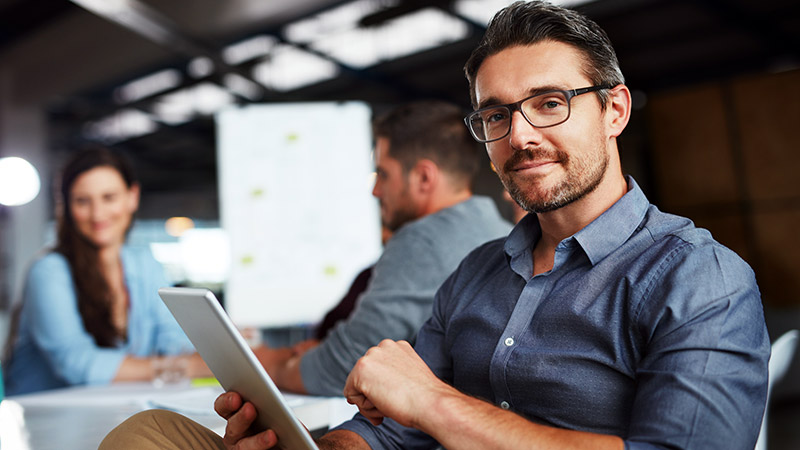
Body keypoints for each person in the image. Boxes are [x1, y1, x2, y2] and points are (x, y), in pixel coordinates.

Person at [99, 2, 769, 448]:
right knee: (151, 432)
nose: (522, 134)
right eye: (497, 116)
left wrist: (435, 404)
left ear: (615, 110)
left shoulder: (698, 277)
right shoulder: (477, 273)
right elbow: (389, 433)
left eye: (550, 103)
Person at [244, 99, 512, 396]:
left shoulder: (422, 240)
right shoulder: (501, 232)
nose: (375, 191)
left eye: (382, 174)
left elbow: (344, 366)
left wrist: (269, 364)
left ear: (423, 177)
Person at [2, 148, 210, 395]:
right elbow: (78, 366)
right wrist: (191, 366)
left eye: (109, 197)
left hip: (116, 412)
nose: (97, 214)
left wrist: (215, 349)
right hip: (43, 423)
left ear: (132, 197)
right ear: (67, 207)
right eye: (82, 201)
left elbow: (174, 343)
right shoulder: (48, 271)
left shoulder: (144, 263)